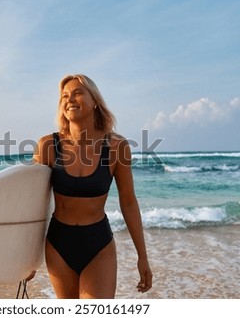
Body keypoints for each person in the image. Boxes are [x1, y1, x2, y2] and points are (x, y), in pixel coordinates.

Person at [33, 74, 152, 299]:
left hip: (99, 245)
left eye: (77, 93)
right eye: (64, 96)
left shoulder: (117, 146)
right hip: (58, 244)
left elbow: (128, 202)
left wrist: (142, 257)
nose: (70, 99)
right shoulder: (48, 145)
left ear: (95, 100)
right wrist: (26, 258)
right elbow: (34, 202)